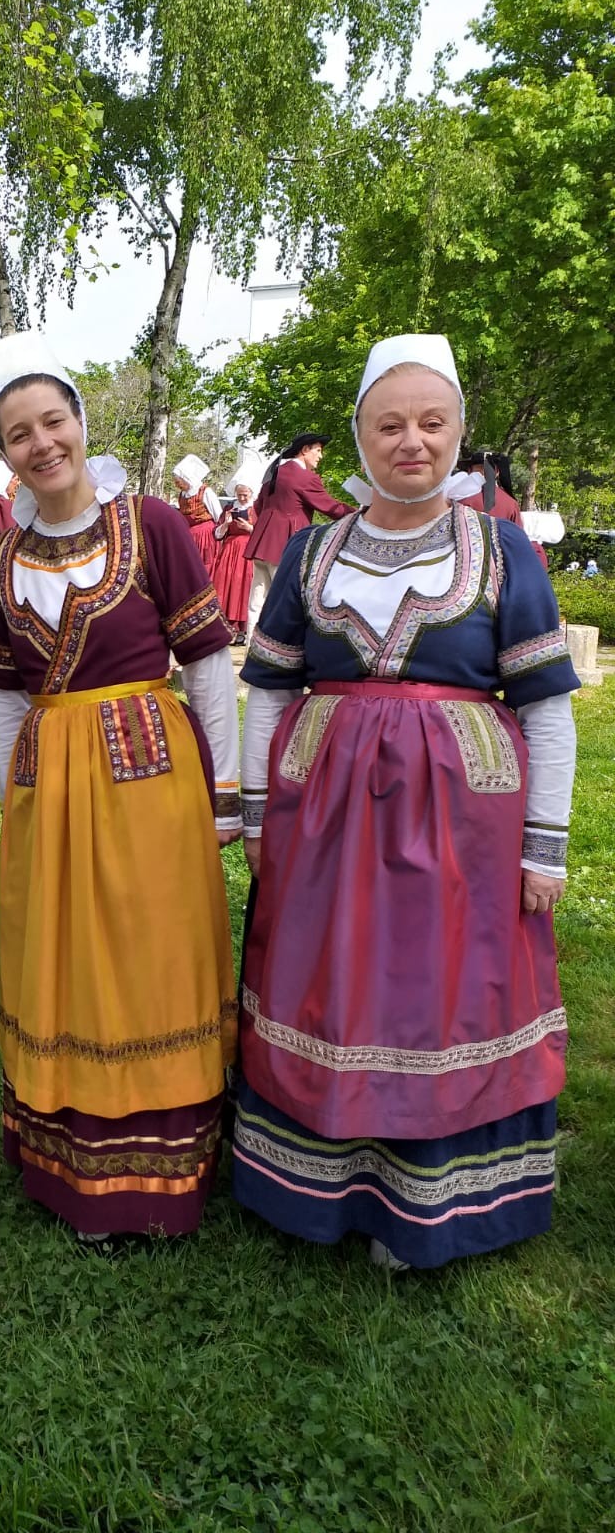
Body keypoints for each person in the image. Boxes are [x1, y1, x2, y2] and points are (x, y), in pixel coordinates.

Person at [232, 333, 578, 1271]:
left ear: (459, 432)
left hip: (463, 824)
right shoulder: (312, 555)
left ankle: (431, 1203)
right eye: (390, 423)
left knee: (437, 994)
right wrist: (259, 815)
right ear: (360, 436)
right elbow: (267, 689)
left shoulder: (502, 551)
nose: (411, 440)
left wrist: (545, 846)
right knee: (331, 980)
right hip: (324, 819)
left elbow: (545, 708)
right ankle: (321, 1190)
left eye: (433, 422)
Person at [0, 330, 241, 1242]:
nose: (42, 443)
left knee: (151, 946)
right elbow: (6, 689)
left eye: (54, 420)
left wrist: (225, 790)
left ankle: (165, 1160)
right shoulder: (0, 557)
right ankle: (71, 1158)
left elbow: (207, 662)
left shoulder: (155, 526)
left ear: (82, 423)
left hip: (148, 767)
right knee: (68, 952)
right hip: (52, 779)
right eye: (19, 432)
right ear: (5, 450)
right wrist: (19, 796)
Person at [242, 432, 349, 641]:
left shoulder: (275, 471)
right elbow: (331, 508)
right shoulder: (304, 477)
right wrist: (363, 513)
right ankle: (276, 651)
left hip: (262, 543)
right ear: (305, 450)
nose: (320, 456)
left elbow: (259, 505)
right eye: (318, 450)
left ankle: (252, 650)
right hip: (285, 543)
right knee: (283, 601)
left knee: (257, 602)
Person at [212, 482, 256, 643]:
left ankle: (243, 629)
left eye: (245, 495)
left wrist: (250, 527)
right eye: (239, 495)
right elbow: (217, 534)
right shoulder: (229, 508)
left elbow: (263, 531)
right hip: (230, 550)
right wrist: (226, 523)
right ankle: (225, 627)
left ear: (251, 493)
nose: (242, 498)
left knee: (244, 586)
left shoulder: (257, 507)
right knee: (225, 585)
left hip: (248, 550)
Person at [172, 454, 221, 585]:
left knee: (205, 565)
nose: (178, 485)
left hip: (205, 536)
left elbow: (218, 515)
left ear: (187, 478)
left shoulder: (205, 492)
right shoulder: (182, 495)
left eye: (179, 482)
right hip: (189, 535)